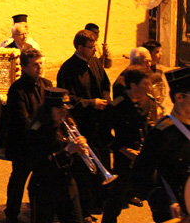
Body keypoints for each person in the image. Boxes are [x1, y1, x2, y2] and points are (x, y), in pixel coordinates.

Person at [57, 29, 111, 221]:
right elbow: (68, 99)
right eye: (91, 47)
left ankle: (100, 200)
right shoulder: (68, 69)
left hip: (99, 124)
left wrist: (105, 99)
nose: (94, 49)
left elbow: (105, 84)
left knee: (102, 161)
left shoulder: (95, 62)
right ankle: (85, 209)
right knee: (83, 171)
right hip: (82, 124)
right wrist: (91, 103)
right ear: (80, 48)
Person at [132, 67, 190, 223]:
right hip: (174, 212)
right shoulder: (162, 133)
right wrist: (166, 203)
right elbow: (140, 174)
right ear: (179, 97)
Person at [98, 66, 153, 223]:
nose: (150, 88)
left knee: (157, 193)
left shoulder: (148, 101)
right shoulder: (116, 106)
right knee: (116, 198)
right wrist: (123, 150)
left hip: (145, 156)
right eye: (146, 84)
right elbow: (102, 134)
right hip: (124, 160)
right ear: (133, 86)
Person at [5, 48, 53, 222]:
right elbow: (23, 120)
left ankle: (39, 211)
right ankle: (12, 213)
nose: (39, 67)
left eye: (40, 63)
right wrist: (42, 129)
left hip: (42, 144)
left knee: (41, 182)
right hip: (23, 146)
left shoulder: (47, 84)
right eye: (35, 65)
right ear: (24, 67)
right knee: (18, 179)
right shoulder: (17, 90)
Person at [27, 87, 86, 223]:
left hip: (68, 188)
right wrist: (67, 152)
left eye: (65, 109)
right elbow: (40, 164)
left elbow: (73, 161)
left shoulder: (67, 125)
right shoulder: (36, 131)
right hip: (44, 189)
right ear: (48, 110)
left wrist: (81, 151)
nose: (64, 113)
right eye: (59, 109)